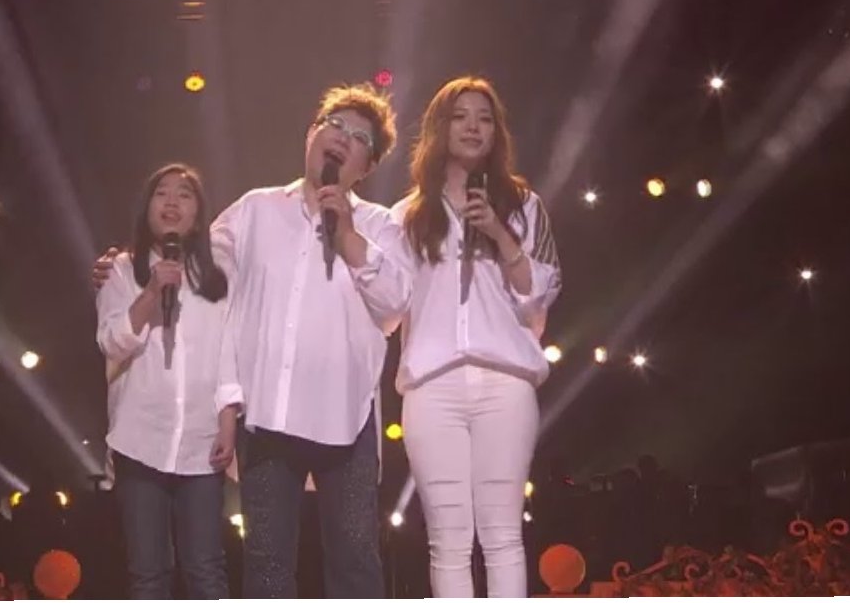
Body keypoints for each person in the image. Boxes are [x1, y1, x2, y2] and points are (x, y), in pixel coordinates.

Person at [92, 82, 410, 598]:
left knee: (355, 561)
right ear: (311, 135)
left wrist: (349, 236)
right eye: (333, 125)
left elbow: (395, 306)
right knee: (266, 566)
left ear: (367, 165)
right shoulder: (255, 210)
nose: (341, 138)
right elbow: (200, 264)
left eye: (358, 137)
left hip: (345, 418)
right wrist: (128, 264)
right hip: (267, 419)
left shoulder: (379, 225)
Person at [390, 76, 562, 597]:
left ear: (496, 133)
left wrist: (500, 235)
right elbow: (388, 301)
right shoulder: (407, 215)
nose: (472, 127)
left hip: (505, 383)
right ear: (439, 129)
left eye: (484, 118)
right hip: (432, 387)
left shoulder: (524, 206)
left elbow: (539, 294)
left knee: (503, 535)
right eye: (460, 117)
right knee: (448, 541)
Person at [95, 163, 238, 599]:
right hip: (140, 439)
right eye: (162, 193)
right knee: (148, 574)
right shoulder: (121, 270)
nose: (172, 202)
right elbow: (112, 342)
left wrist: (228, 422)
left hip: (202, 444)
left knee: (206, 569)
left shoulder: (218, 275)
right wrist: (151, 292)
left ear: (199, 213)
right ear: (147, 207)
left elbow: (230, 353)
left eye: (185, 194)